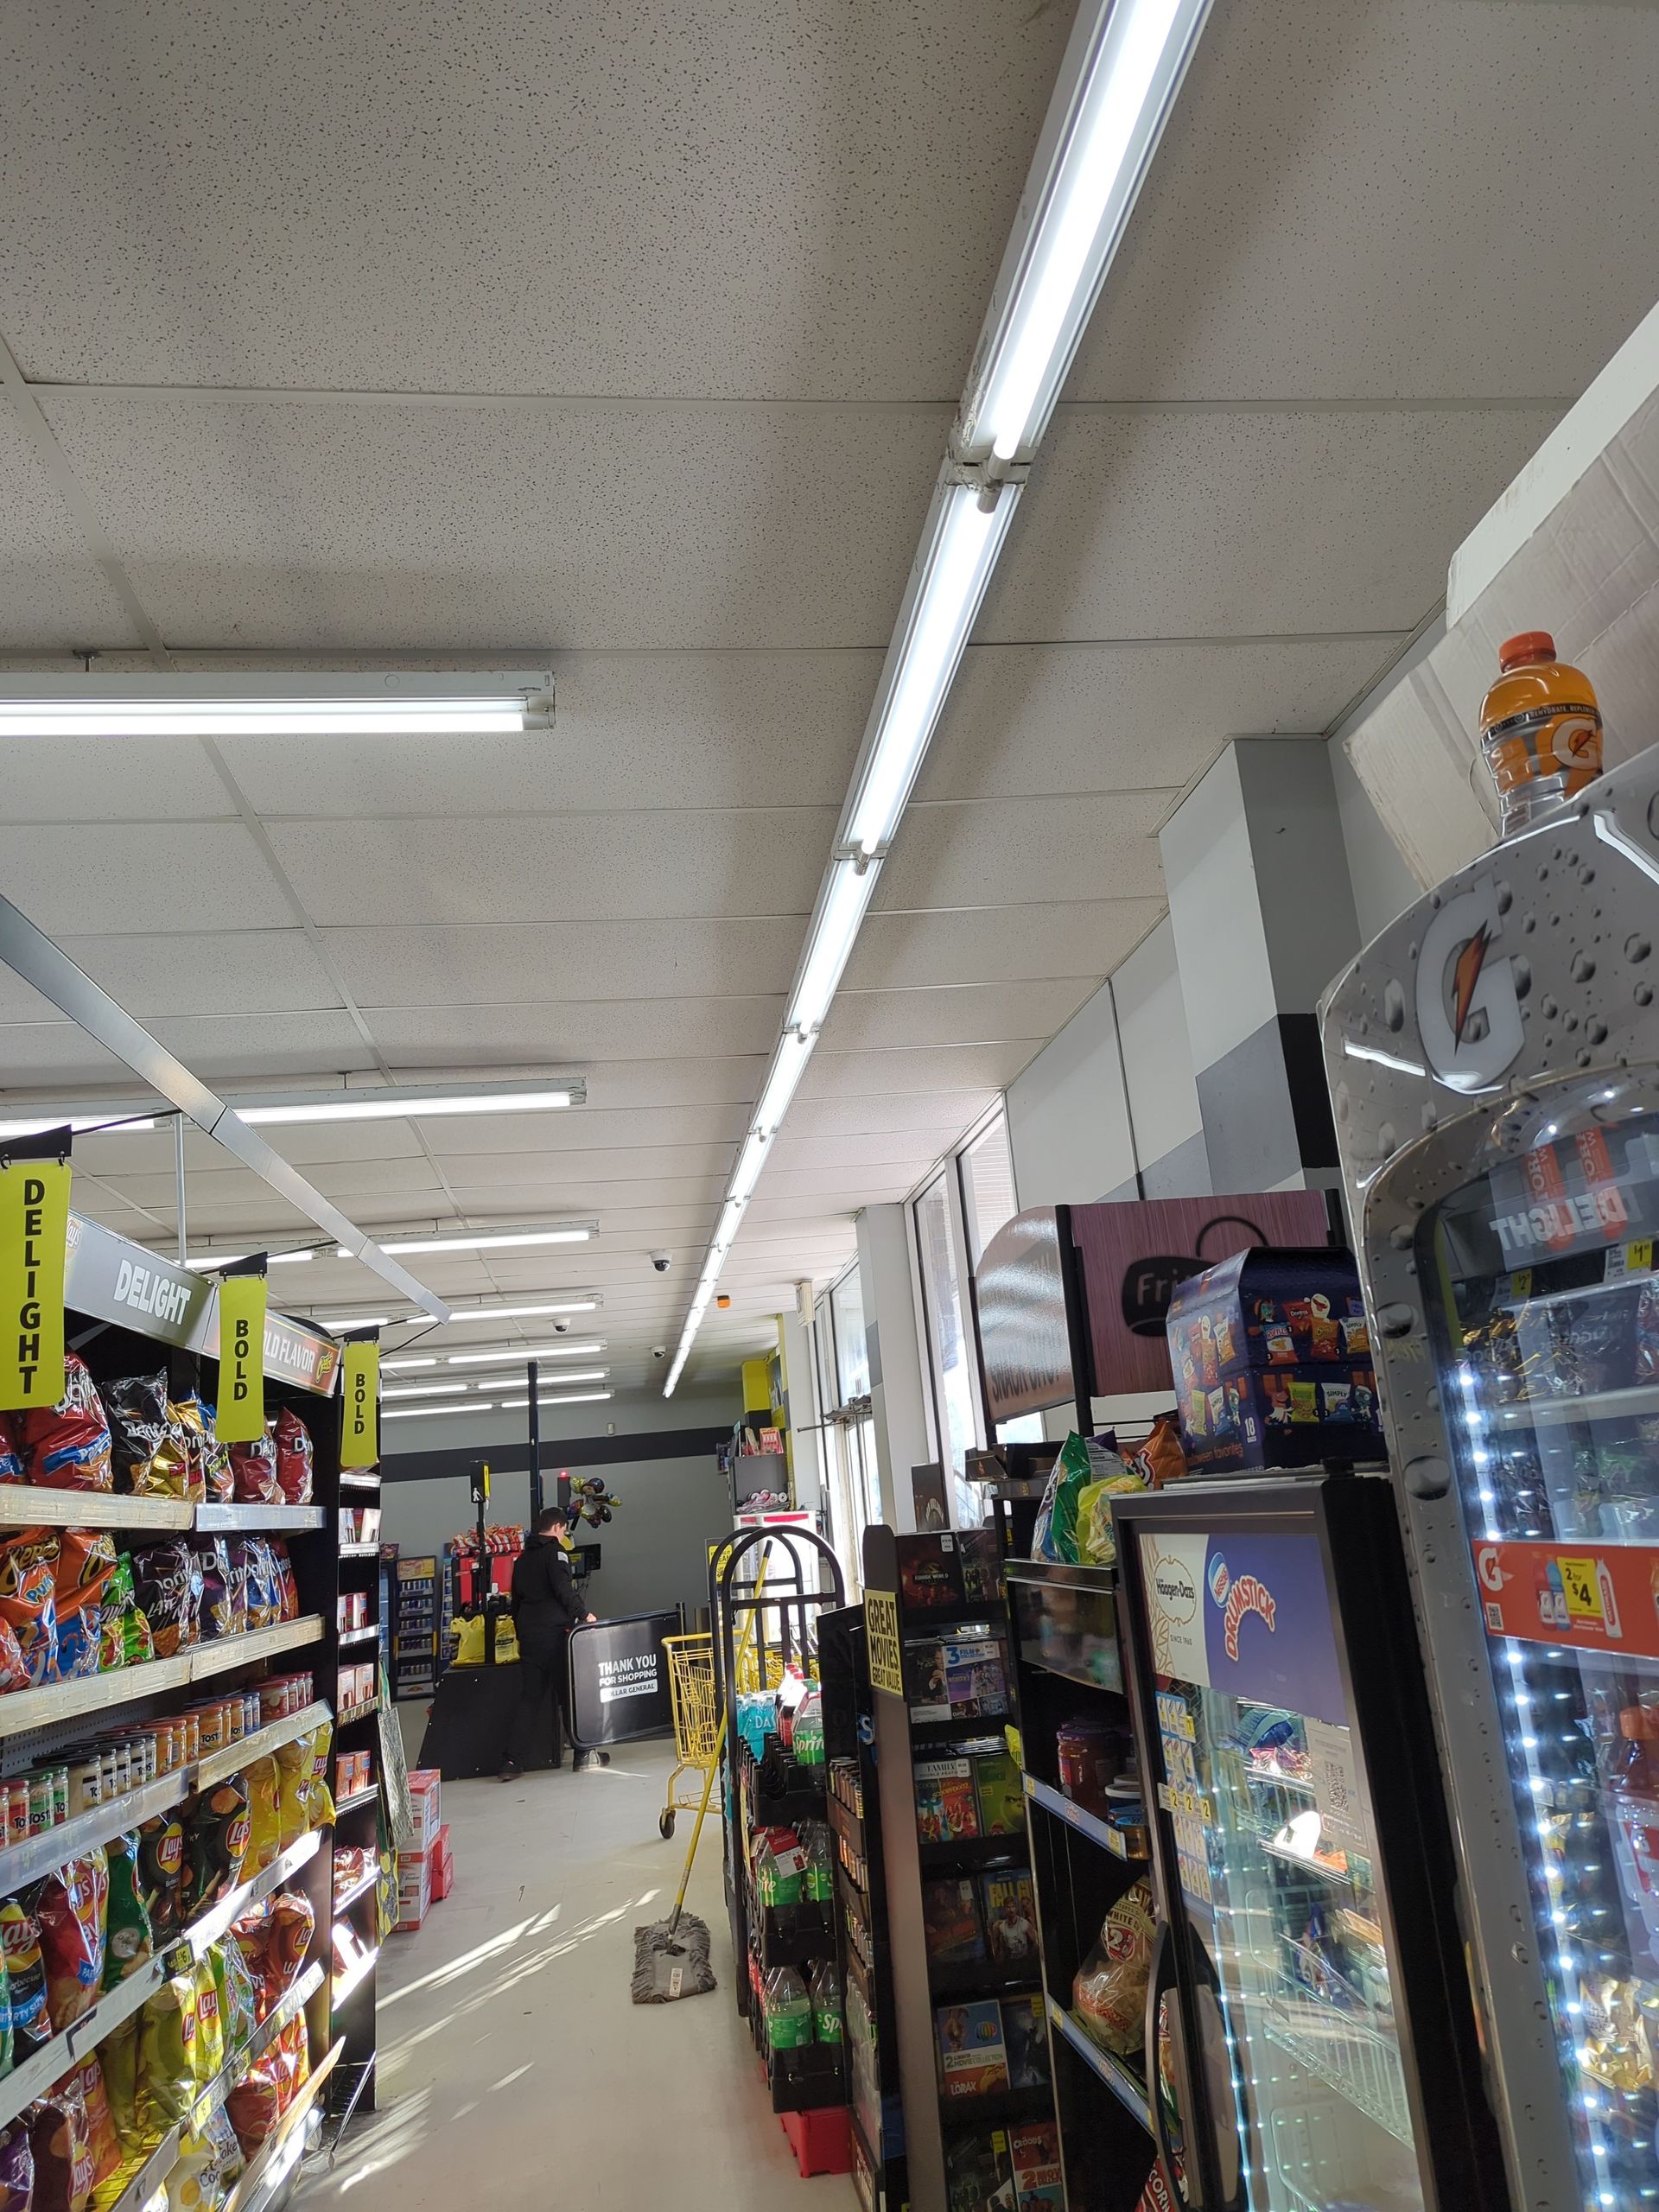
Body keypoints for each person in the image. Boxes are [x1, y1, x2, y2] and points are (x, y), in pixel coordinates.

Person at [500, 1503, 596, 1780]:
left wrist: (522, 1633)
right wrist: (585, 1614)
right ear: (557, 1527)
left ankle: (511, 1762)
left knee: (530, 1699)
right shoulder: (556, 1553)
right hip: (555, 1636)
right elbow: (563, 1589)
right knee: (570, 1696)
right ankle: (583, 1755)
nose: (563, 1535)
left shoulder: (522, 1560)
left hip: (530, 1637)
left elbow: (516, 1603)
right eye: (563, 1530)